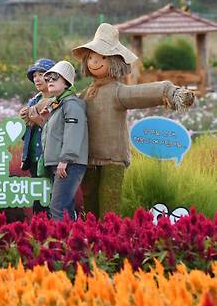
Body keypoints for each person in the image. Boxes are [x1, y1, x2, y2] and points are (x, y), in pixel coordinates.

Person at [71, 24, 195, 217]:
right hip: (88, 158)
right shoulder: (86, 93)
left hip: (113, 158)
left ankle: (111, 241)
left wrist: (171, 92)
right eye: (92, 57)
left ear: (115, 62)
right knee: (90, 201)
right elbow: (68, 107)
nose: (95, 62)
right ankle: (91, 240)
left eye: (102, 57)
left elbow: (142, 93)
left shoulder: (117, 91)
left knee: (109, 201)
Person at [40, 61, 88, 221]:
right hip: (61, 163)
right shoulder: (59, 105)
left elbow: (74, 132)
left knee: (58, 207)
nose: (50, 81)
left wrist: (65, 159)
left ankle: (62, 243)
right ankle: (72, 242)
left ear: (66, 81)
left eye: (55, 77)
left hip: (69, 164)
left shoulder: (72, 104)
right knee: (65, 208)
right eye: (48, 79)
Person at [19, 58, 55, 215]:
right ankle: (38, 231)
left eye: (42, 74)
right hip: (34, 157)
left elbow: (56, 130)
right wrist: (24, 119)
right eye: (34, 76)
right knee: (38, 198)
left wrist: (35, 119)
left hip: (49, 157)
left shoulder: (57, 100)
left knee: (52, 197)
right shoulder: (34, 100)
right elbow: (26, 132)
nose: (37, 79)